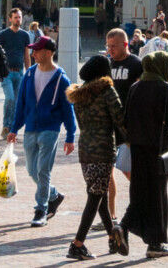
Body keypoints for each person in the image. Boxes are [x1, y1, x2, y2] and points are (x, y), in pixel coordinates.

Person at [7, 36, 77, 227]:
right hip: (30, 128)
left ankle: (41, 210)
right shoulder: (29, 74)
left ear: (48, 52)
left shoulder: (62, 79)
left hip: (50, 130)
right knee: (32, 170)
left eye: (36, 50)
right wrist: (14, 128)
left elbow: (68, 109)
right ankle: (54, 195)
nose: (33, 53)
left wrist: (70, 136)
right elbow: (21, 104)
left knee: (43, 171)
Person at [65, 55, 128, 260]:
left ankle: (112, 237)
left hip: (85, 149)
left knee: (98, 194)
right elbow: (120, 119)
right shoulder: (107, 91)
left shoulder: (79, 95)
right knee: (95, 196)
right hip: (103, 148)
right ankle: (77, 244)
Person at [119, 51, 168, 259]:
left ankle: (124, 226)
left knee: (140, 191)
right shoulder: (165, 88)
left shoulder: (135, 88)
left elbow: (125, 121)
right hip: (158, 148)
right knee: (158, 195)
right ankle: (155, 243)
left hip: (137, 148)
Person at [105, 28, 143, 216]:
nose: (110, 50)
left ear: (125, 45)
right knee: (107, 172)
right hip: (109, 127)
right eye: (108, 46)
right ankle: (110, 215)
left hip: (129, 127)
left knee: (128, 170)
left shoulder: (136, 64)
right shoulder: (107, 64)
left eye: (114, 46)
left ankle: (143, 202)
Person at [0, 8, 32, 137]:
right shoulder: (3, 34)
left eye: (20, 17)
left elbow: (27, 55)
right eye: (16, 17)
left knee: (17, 102)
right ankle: (6, 126)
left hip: (19, 73)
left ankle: (11, 129)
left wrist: (28, 72)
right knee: (10, 98)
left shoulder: (25, 35)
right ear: (10, 19)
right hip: (6, 73)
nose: (18, 19)